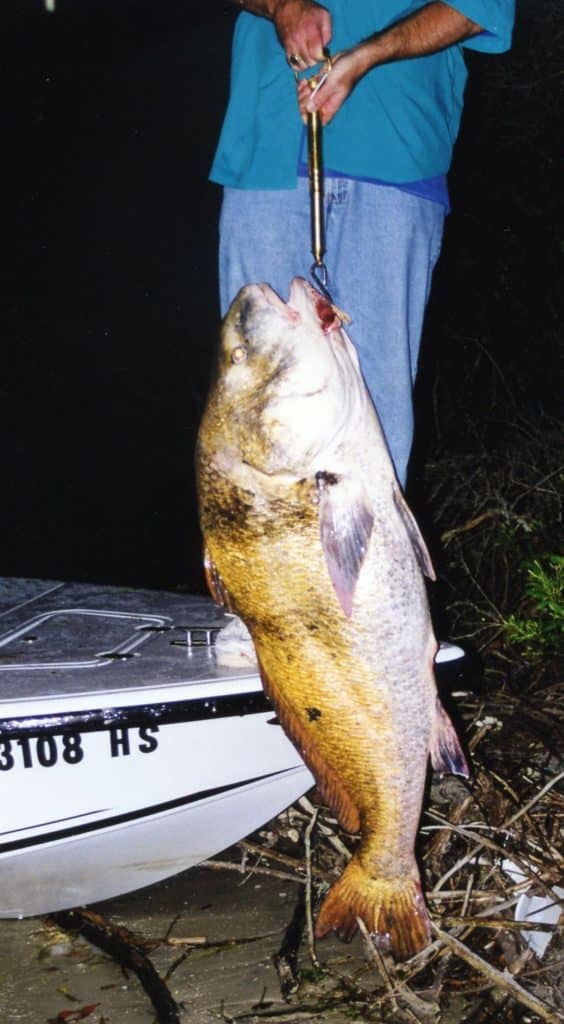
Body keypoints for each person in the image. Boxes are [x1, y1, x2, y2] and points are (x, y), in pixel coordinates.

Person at [210, 0, 515, 488]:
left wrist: (370, 54)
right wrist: (280, 7)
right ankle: (258, 567)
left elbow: (480, 8)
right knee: (254, 423)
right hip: (268, 148)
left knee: (375, 426)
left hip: (397, 152)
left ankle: (370, 564)